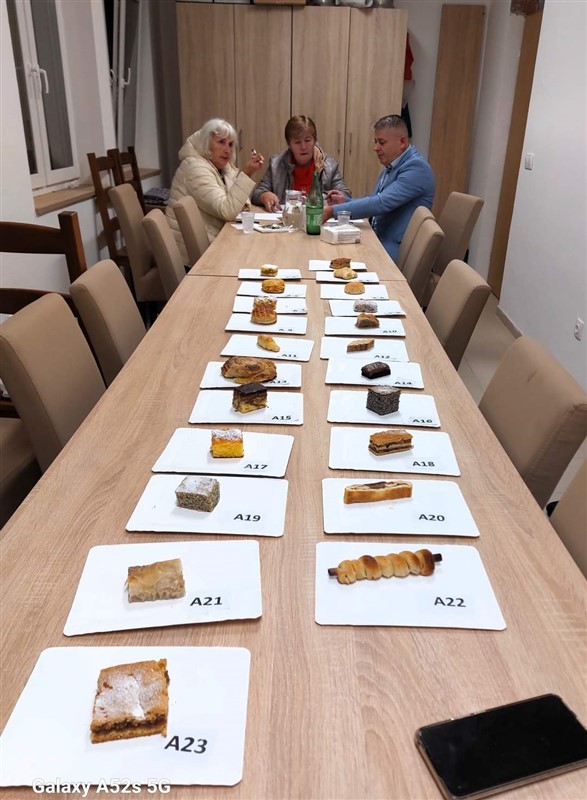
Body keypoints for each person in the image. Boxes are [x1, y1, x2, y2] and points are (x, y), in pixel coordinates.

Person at [323, 115, 435, 262]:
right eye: (375, 141)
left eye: (381, 142)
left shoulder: (416, 169)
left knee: (334, 256)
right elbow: (376, 201)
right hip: (379, 238)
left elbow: (380, 203)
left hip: (395, 250)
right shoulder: (393, 165)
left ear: (402, 142)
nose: (375, 148)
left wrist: (332, 211)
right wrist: (345, 202)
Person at [166, 118, 265, 261]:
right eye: (221, 142)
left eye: (230, 144)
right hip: (190, 256)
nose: (227, 150)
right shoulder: (195, 168)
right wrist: (247, 174)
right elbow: (227, 210)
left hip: (213, 239)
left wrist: (242, 188)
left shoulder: (222, 166)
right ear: (206, 143)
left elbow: (239, 202)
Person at [252, 115, 351, 212]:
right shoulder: (276, 164)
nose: (303, 147)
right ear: (289, 144)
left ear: (315, 141)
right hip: (286, 220)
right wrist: (264, 196)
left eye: (307, 140)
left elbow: (346, 195)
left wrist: (333, 198)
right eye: (297, 142)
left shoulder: (330, 166)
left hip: (318, 219)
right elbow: (257, 193)